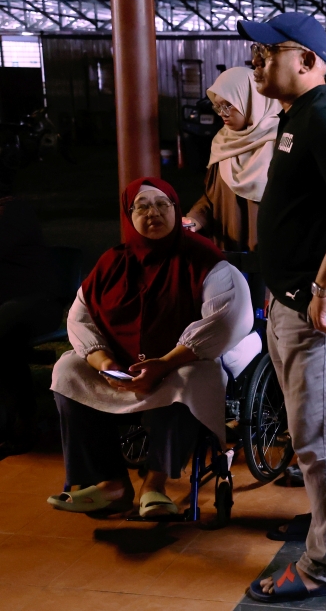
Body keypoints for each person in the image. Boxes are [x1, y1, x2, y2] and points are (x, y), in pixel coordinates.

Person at [237, 12, 326, 604]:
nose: (255, 62)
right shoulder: (296, 115)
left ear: (305, 59)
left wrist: (322, 288)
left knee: (316, 435)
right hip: (297, 299)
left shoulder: (324, 115)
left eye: (267, 53)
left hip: (324, 308)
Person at [47, 178, 253, 516]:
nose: (152, 213)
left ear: (175, 209)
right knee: (67, 370)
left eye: (162, 205)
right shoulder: (112, 263)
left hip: (177, 365)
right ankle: (110, 482)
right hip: (122, 369)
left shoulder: (206, 261)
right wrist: (104, 363)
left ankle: (154, 486)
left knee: (195, 376)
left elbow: (227, 317)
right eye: (141, 207)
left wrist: (166, 362)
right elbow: (79, 318)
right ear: (129, 216)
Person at [183, 66, 280, 251]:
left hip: (270, 257)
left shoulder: (281, 142)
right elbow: (212, 199)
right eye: (218, 106)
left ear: (252, 100)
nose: (222, 112)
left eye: (229, 105)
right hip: (229, 253)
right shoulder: (223, 143)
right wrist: (194, 219)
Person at [0, 165, 60, 456]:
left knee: (4, 336)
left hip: (36, 302)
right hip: (11, 302)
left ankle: (23, 422)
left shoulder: (13, 212)